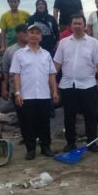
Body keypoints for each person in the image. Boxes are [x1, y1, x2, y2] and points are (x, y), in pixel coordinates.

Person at [54, 15, 98, 153]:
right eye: (75, 23)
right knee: (69, 116)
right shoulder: (63, 43)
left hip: (88, 84)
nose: (77, 26)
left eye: (79, 23)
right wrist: (52, 83)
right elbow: (57, 64)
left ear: (84, 25)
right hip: (68, 85)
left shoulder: (93, 43)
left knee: (90, 115)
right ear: (70, 26)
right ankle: (70, 142)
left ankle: (92, 142)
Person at [10, 24, 59, 160]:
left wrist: (54, 91)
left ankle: (46, 147)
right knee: (27, 123)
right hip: (26, 95)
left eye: (37, 33)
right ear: (27, 35)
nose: (34, 35)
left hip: (43, 95)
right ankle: (30, 149)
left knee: (44, 123)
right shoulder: (19, 54)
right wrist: (17, 93)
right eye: (32, 32)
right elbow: (16, 75)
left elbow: (51, 74)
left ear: (41, 37)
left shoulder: (46, 54)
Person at [1, 24, 28, 141]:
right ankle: (26, 138)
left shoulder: (36, 48)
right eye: (24, 32)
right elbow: (5, 71)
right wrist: (4, 89)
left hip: (33, 90)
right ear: (17, 34)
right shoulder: (10, 50)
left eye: (28, 31)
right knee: (22, 117)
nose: (27, 34)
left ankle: (36, 137)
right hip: (16, 90)